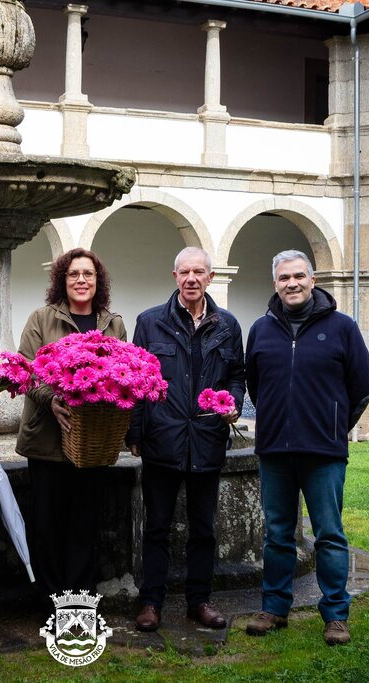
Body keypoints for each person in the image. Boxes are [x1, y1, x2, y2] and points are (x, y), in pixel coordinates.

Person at [243, 249, 369, 646]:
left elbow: (361, 389)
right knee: (277, 533)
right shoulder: (261, 330)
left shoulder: (342, 328)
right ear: (275, 284)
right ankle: (274, 608)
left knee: (329, 535)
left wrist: (332, 428)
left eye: (299, 276)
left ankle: (335, 615)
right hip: (276, 451)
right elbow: (255, 385)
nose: (292, 283)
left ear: (313, 280)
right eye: (284, 278)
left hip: (324, 454)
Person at [127, 246, 245, 632]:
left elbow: (236, 375)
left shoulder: (228, 325)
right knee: (157, 527)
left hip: (208, 439)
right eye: (184, 272)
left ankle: (200, 601)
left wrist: (234, 404)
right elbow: (137, 380)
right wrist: (136, 432)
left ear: (210, 277)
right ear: (174, 276)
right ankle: (151, 603)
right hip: (163, 439)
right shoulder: (150, 322)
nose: (191, 278)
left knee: (204, 529)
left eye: (199, 271)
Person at [15, 248, 126, 613]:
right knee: (47, 525)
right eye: (74, 274)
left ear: (98, 281)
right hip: (47, 441)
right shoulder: (42, 318)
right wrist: (53, 399)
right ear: (62, 280)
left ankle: (78, 602)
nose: (81, 280)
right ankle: (50, 602)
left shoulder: (113, 323)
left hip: (92, 444)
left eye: (88, 274)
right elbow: (26, 371)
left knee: (84, 525)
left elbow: (124, 373)